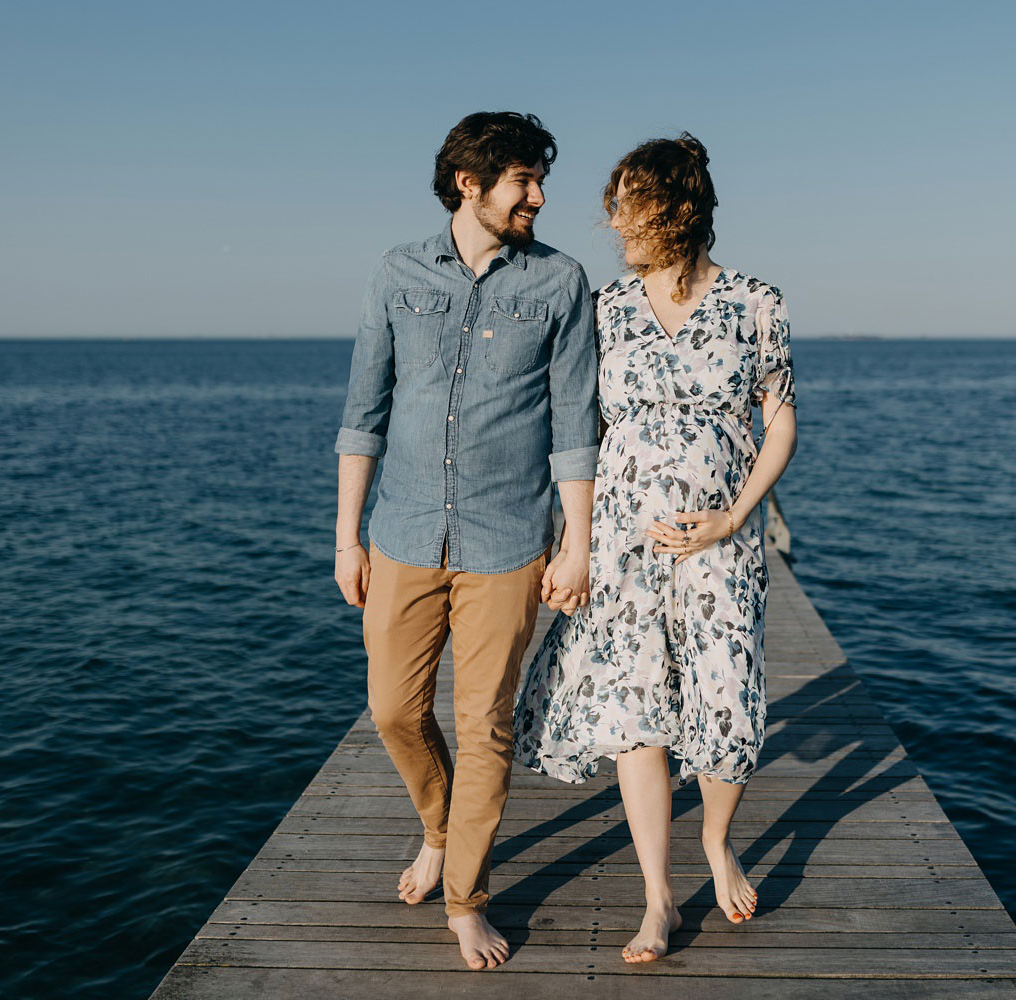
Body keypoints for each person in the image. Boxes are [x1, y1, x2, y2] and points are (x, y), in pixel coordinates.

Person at [513, 133, 798, 964]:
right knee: (637, 713)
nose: (614, 224)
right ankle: (658, 898)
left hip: (720, 543)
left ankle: (716, 840)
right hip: (623, 544)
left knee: (727, 701)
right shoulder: (605, 308)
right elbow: (580, 431)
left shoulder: (755, 302)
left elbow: (778, 420)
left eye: (628, 207)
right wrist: (569, 540)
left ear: (674, 210)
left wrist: (733, 517)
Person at [332, 111, 598, 971]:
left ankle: (465, 900)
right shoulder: (395, 272)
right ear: (469, 184)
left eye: (537, 178)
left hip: (509, 539)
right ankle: (438, 830)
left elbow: (573, 425)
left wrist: (577, 544)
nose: (539, 195)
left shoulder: (560, 282)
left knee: (483, 725)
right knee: (393, 711)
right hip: (402, 531)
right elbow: (362, 415)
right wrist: (347, 539)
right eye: (522, 180)